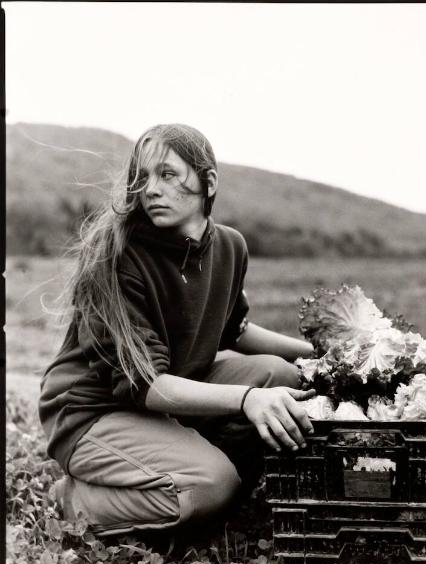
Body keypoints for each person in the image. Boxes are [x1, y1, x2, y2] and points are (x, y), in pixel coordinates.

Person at [39, 123, 316, 536]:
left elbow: (233, 331)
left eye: (167, 174)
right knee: (212, 484)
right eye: (142, 178)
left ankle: (198, 480)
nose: (151, 189)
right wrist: (246, 399)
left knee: (282, 377)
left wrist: (320, 355)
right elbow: (145, 385)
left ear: (209, 182)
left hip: (168, 392)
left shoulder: (229, 246)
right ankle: (75, 500)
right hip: (93, 411)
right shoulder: (118, 256)